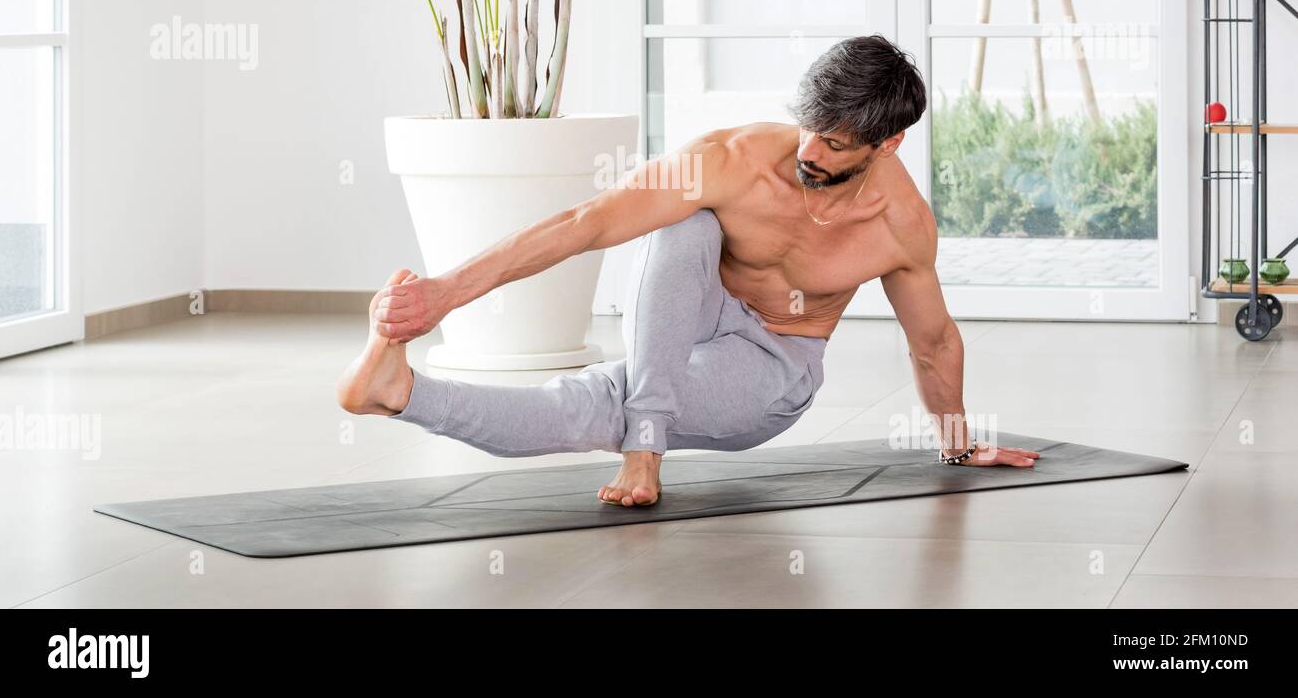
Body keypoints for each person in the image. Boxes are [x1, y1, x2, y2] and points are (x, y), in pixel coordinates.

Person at [338, 35, 1039, 507]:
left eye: (833, 143)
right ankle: (642, 437)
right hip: (692, 315)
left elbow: (933, 342)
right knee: (684, 219)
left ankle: (408, 395)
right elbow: (588, 222)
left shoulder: (900, 226)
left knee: (604, 402)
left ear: (888, 144)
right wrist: (445, 292)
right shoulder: (730, 159)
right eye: (807, 126)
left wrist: (957, 444)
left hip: (773, 361)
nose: (808, 151)